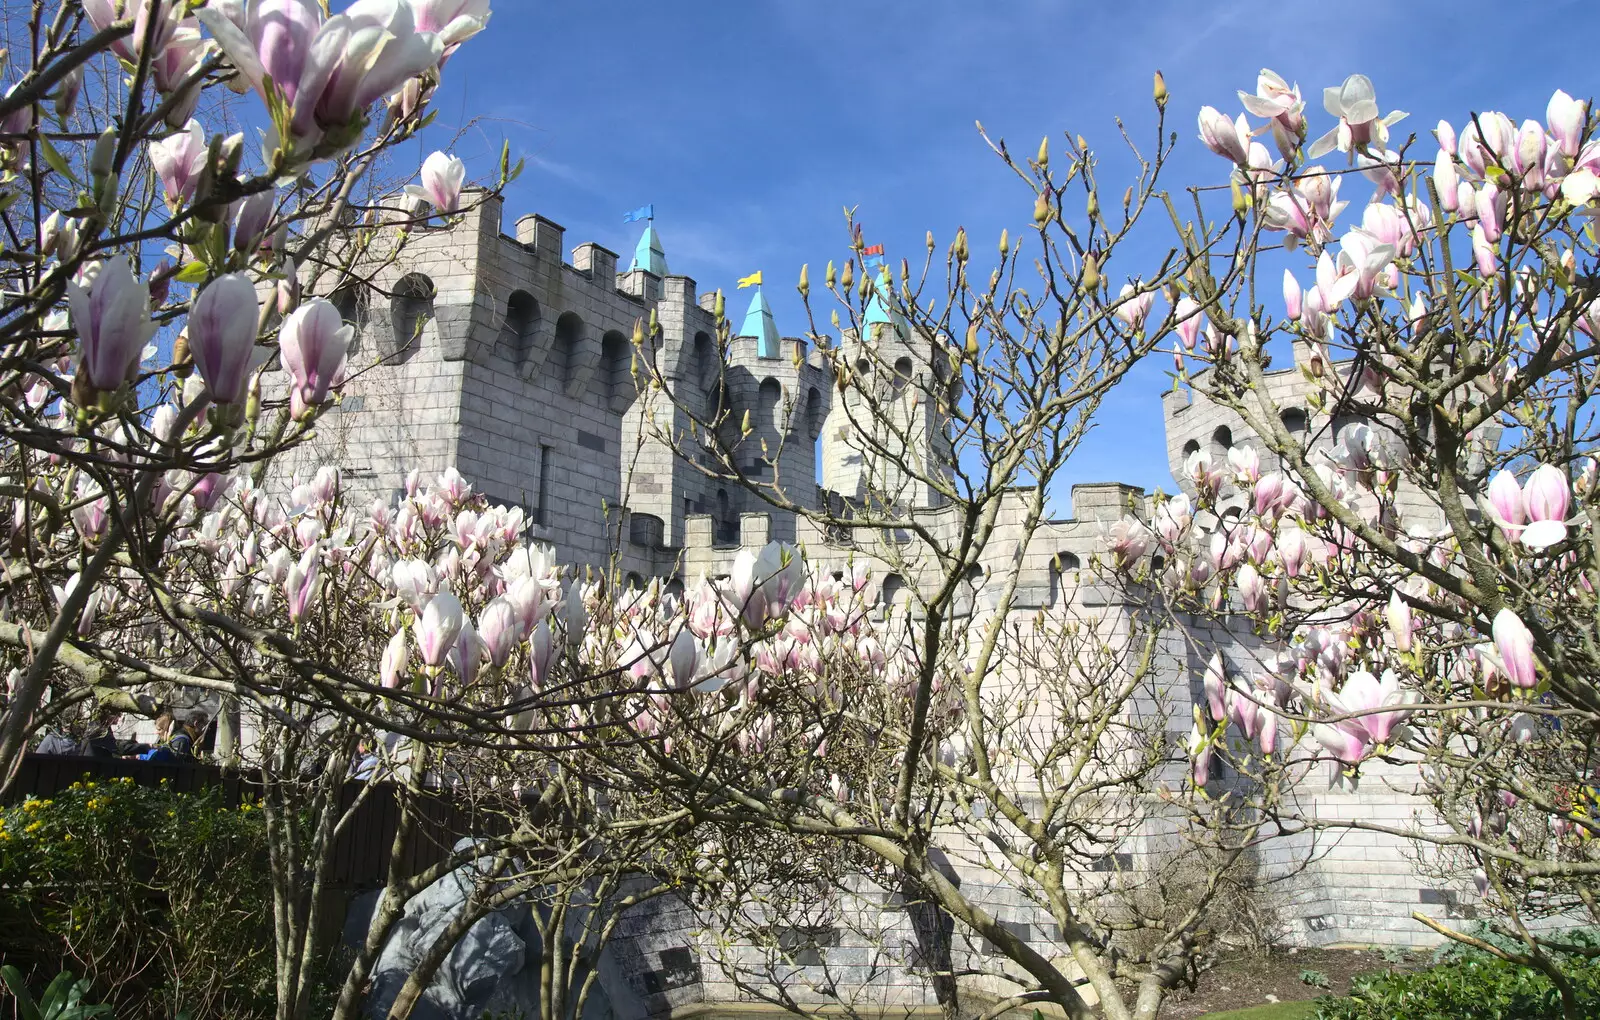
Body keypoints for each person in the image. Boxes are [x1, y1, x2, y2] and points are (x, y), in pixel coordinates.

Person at [81, 706, 149, 758]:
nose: (119, 718)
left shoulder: (99, 726)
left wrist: (132, 743)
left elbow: (113, 743)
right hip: (91, 765)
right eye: (118, 715)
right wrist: (145, 747)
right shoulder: (99, 729)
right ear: (109, 715)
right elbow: (117, 747)